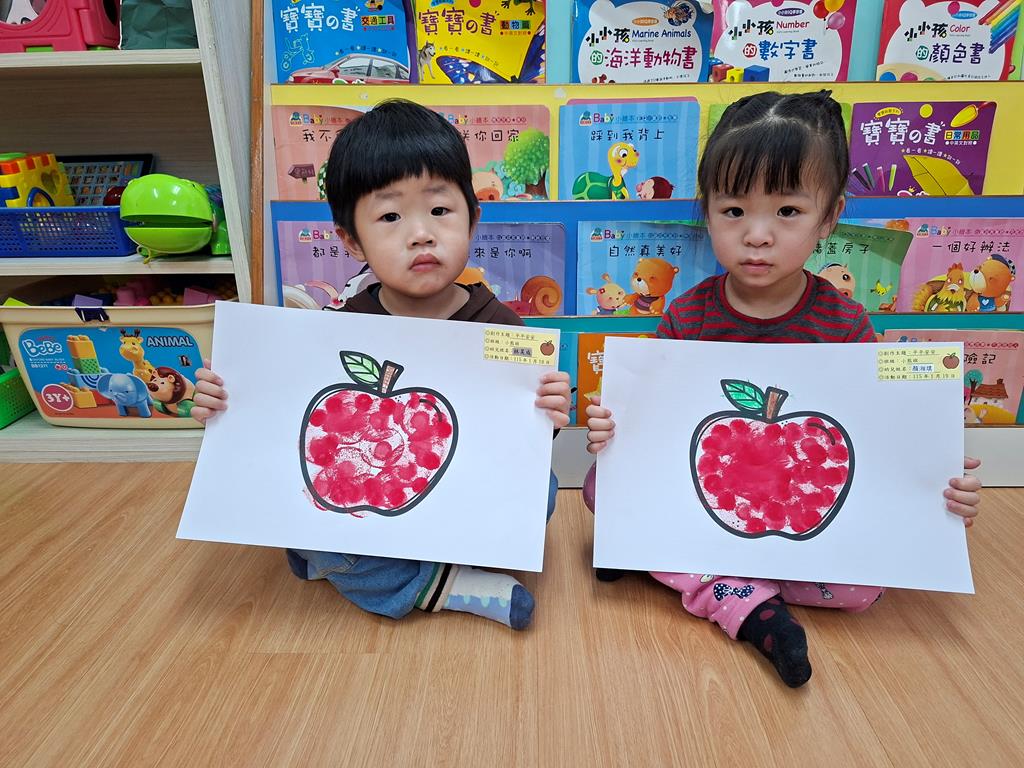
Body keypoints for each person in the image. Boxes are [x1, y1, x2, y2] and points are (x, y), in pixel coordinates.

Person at [584, 91, 983, 686]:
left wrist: (938, 484)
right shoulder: (687, 316)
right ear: (706, 211)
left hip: (796, 507)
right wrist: (613, 430)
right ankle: (746, 603)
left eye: (788, 211)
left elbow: (878, 445)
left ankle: (704, 577)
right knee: (600, 491)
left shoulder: (846, 326)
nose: (758, 235)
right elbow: (656, 435)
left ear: (830, 216)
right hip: (715, 497)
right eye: (734, 210)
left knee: (865, 590)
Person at [193, 99, 571, 631]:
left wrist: (548, 416)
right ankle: (434, 585)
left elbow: (517, 447)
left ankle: (378, 565)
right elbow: (283, 432)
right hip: (369, 486)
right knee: (299, 514)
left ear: (473, 217)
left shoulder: (503, 330)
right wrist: (224, 403)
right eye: (390, 217)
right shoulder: (337, 329)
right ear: (352, 240)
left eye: (439, 210)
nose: (421, 233)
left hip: (450, 490)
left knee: (543, 490)